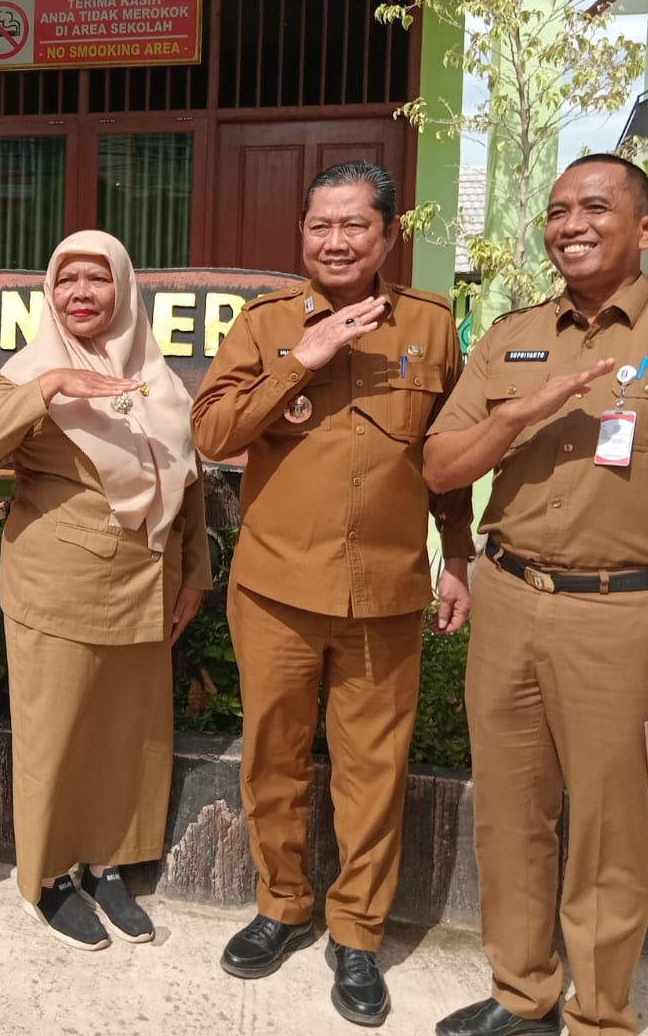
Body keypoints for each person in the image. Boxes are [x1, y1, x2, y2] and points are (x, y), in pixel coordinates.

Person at [425, 154, 648, 1036]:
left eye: (595, 207)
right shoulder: (510, 336)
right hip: (508, 598)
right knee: (509, 814)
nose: (569, 223)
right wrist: (515, 415)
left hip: (626, 615)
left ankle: (600, 1015)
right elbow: (440, 464)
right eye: (558, 209)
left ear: (646, 229)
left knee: (612, 829)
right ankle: (521, 993)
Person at [190, 160, 473, 1027]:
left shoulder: (429, 327)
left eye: (356, 225)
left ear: (388, 235)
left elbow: (450, 459)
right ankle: (282, 906)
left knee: (372, 774)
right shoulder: (268, 324)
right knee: (272, 760)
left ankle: (357, 934)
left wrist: (456, 556)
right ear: (302, 234)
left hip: (384, 593)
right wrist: (301, 362)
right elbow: (212, 428)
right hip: (275, 586)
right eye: (321, 225)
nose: (337, 240)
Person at [0, 230, 210, 951]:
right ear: (49, 293)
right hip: (58, 583)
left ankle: (107, 863)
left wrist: (193, 572)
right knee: (56, 735)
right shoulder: (33, 366)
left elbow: (184, 479)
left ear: (123, 290)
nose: (81, 295)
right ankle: (50, 876)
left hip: (147, 581)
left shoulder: (156, 375)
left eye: (97, 280)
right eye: (67, 282)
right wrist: (52, 387)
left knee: (128, 736)